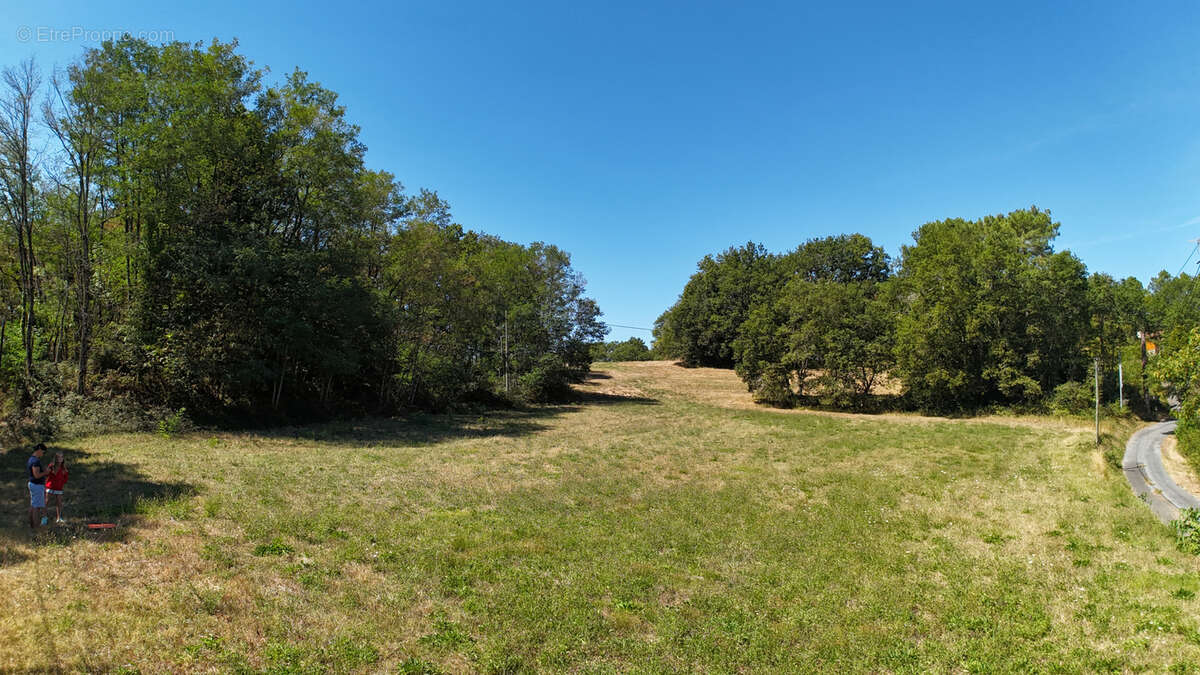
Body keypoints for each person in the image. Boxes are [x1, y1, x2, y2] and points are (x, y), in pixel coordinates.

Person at [26, 442, 49, 529]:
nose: (43, 454)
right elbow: (37, 475)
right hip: (37, 485)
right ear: (39, 450)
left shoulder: (31, 459)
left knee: (33, 505)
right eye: (43, 452)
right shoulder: (35, 461)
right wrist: (46, 472)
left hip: (33, 484)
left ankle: (31, 524)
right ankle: (35, 526)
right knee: (36, 507)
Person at [45, 451, 69, 524]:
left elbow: (66, 477)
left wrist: (62, 482)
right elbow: (46, 474)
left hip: (59, 488)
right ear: (55, 458)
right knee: (46, 502)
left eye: (61, 457)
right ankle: (44, 517)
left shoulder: (63, 467)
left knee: (59, 503)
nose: (60, 458)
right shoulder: (51, 466)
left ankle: (59, 518)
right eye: (58, 457)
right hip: (50, 487)